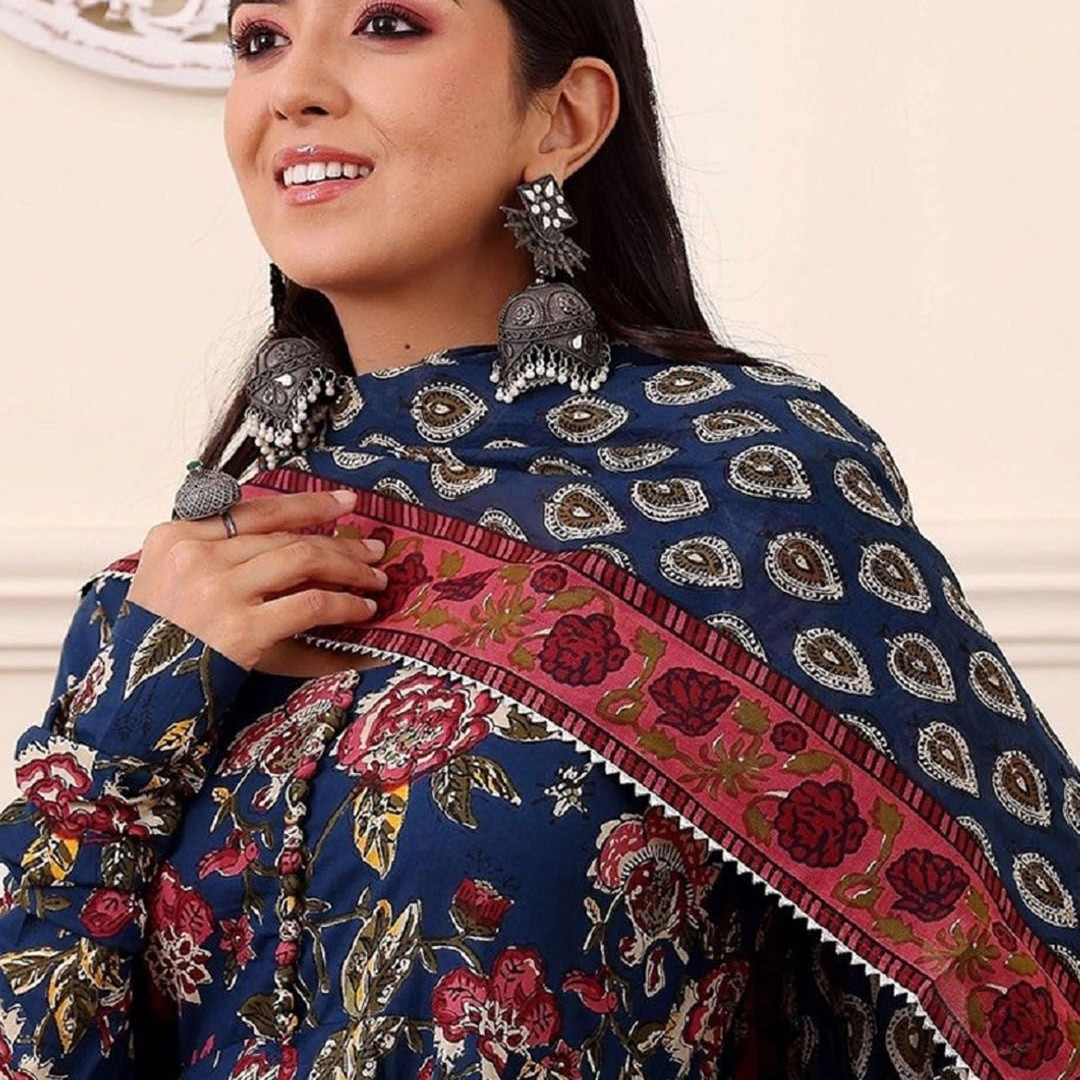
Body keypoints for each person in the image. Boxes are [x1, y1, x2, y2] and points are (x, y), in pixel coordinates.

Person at [0, 1, 1076, 1077]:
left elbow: (997, 984)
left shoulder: (748, 492)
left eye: (388, 23)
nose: (294, 89)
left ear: (565, 116)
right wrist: (121, 736)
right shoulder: (179, 591)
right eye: (259, 42)